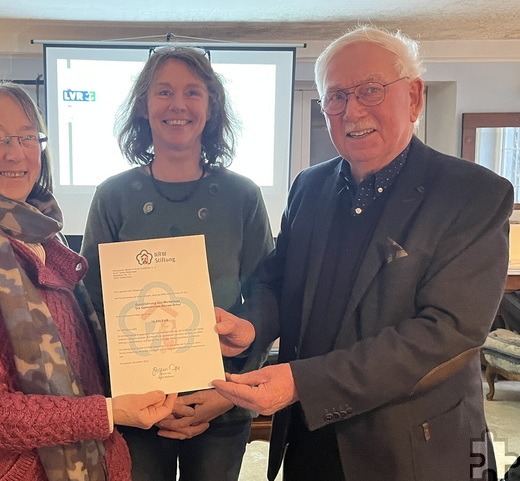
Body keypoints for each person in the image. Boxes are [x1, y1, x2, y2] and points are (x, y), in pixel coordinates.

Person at [212, 26, 514, 481]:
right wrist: (251, 326)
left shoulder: (473, 194)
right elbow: (278, 278)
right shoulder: (309, 186)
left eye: (371, 90)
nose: (352, 110)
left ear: (414, 98)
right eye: (335, 96)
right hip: (309, 435)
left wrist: (303, 382)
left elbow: (446, 334)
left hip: (411, 448)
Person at [0, 82, 180, 481]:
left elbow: (82, 362)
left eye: (27, 136)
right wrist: (109, 411)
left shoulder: (41, 239)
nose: (14, 152)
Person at [80, 46, 274, 481]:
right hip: (139, 406)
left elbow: (265, 296)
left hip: (223, 400)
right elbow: (93, 307)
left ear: (211, 107)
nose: (178, 104)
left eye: (193, 92)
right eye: (163, 92)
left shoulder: (243, 196)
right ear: (144, 107)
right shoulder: (113, 196)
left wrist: (233, 390)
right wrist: (127, 394)